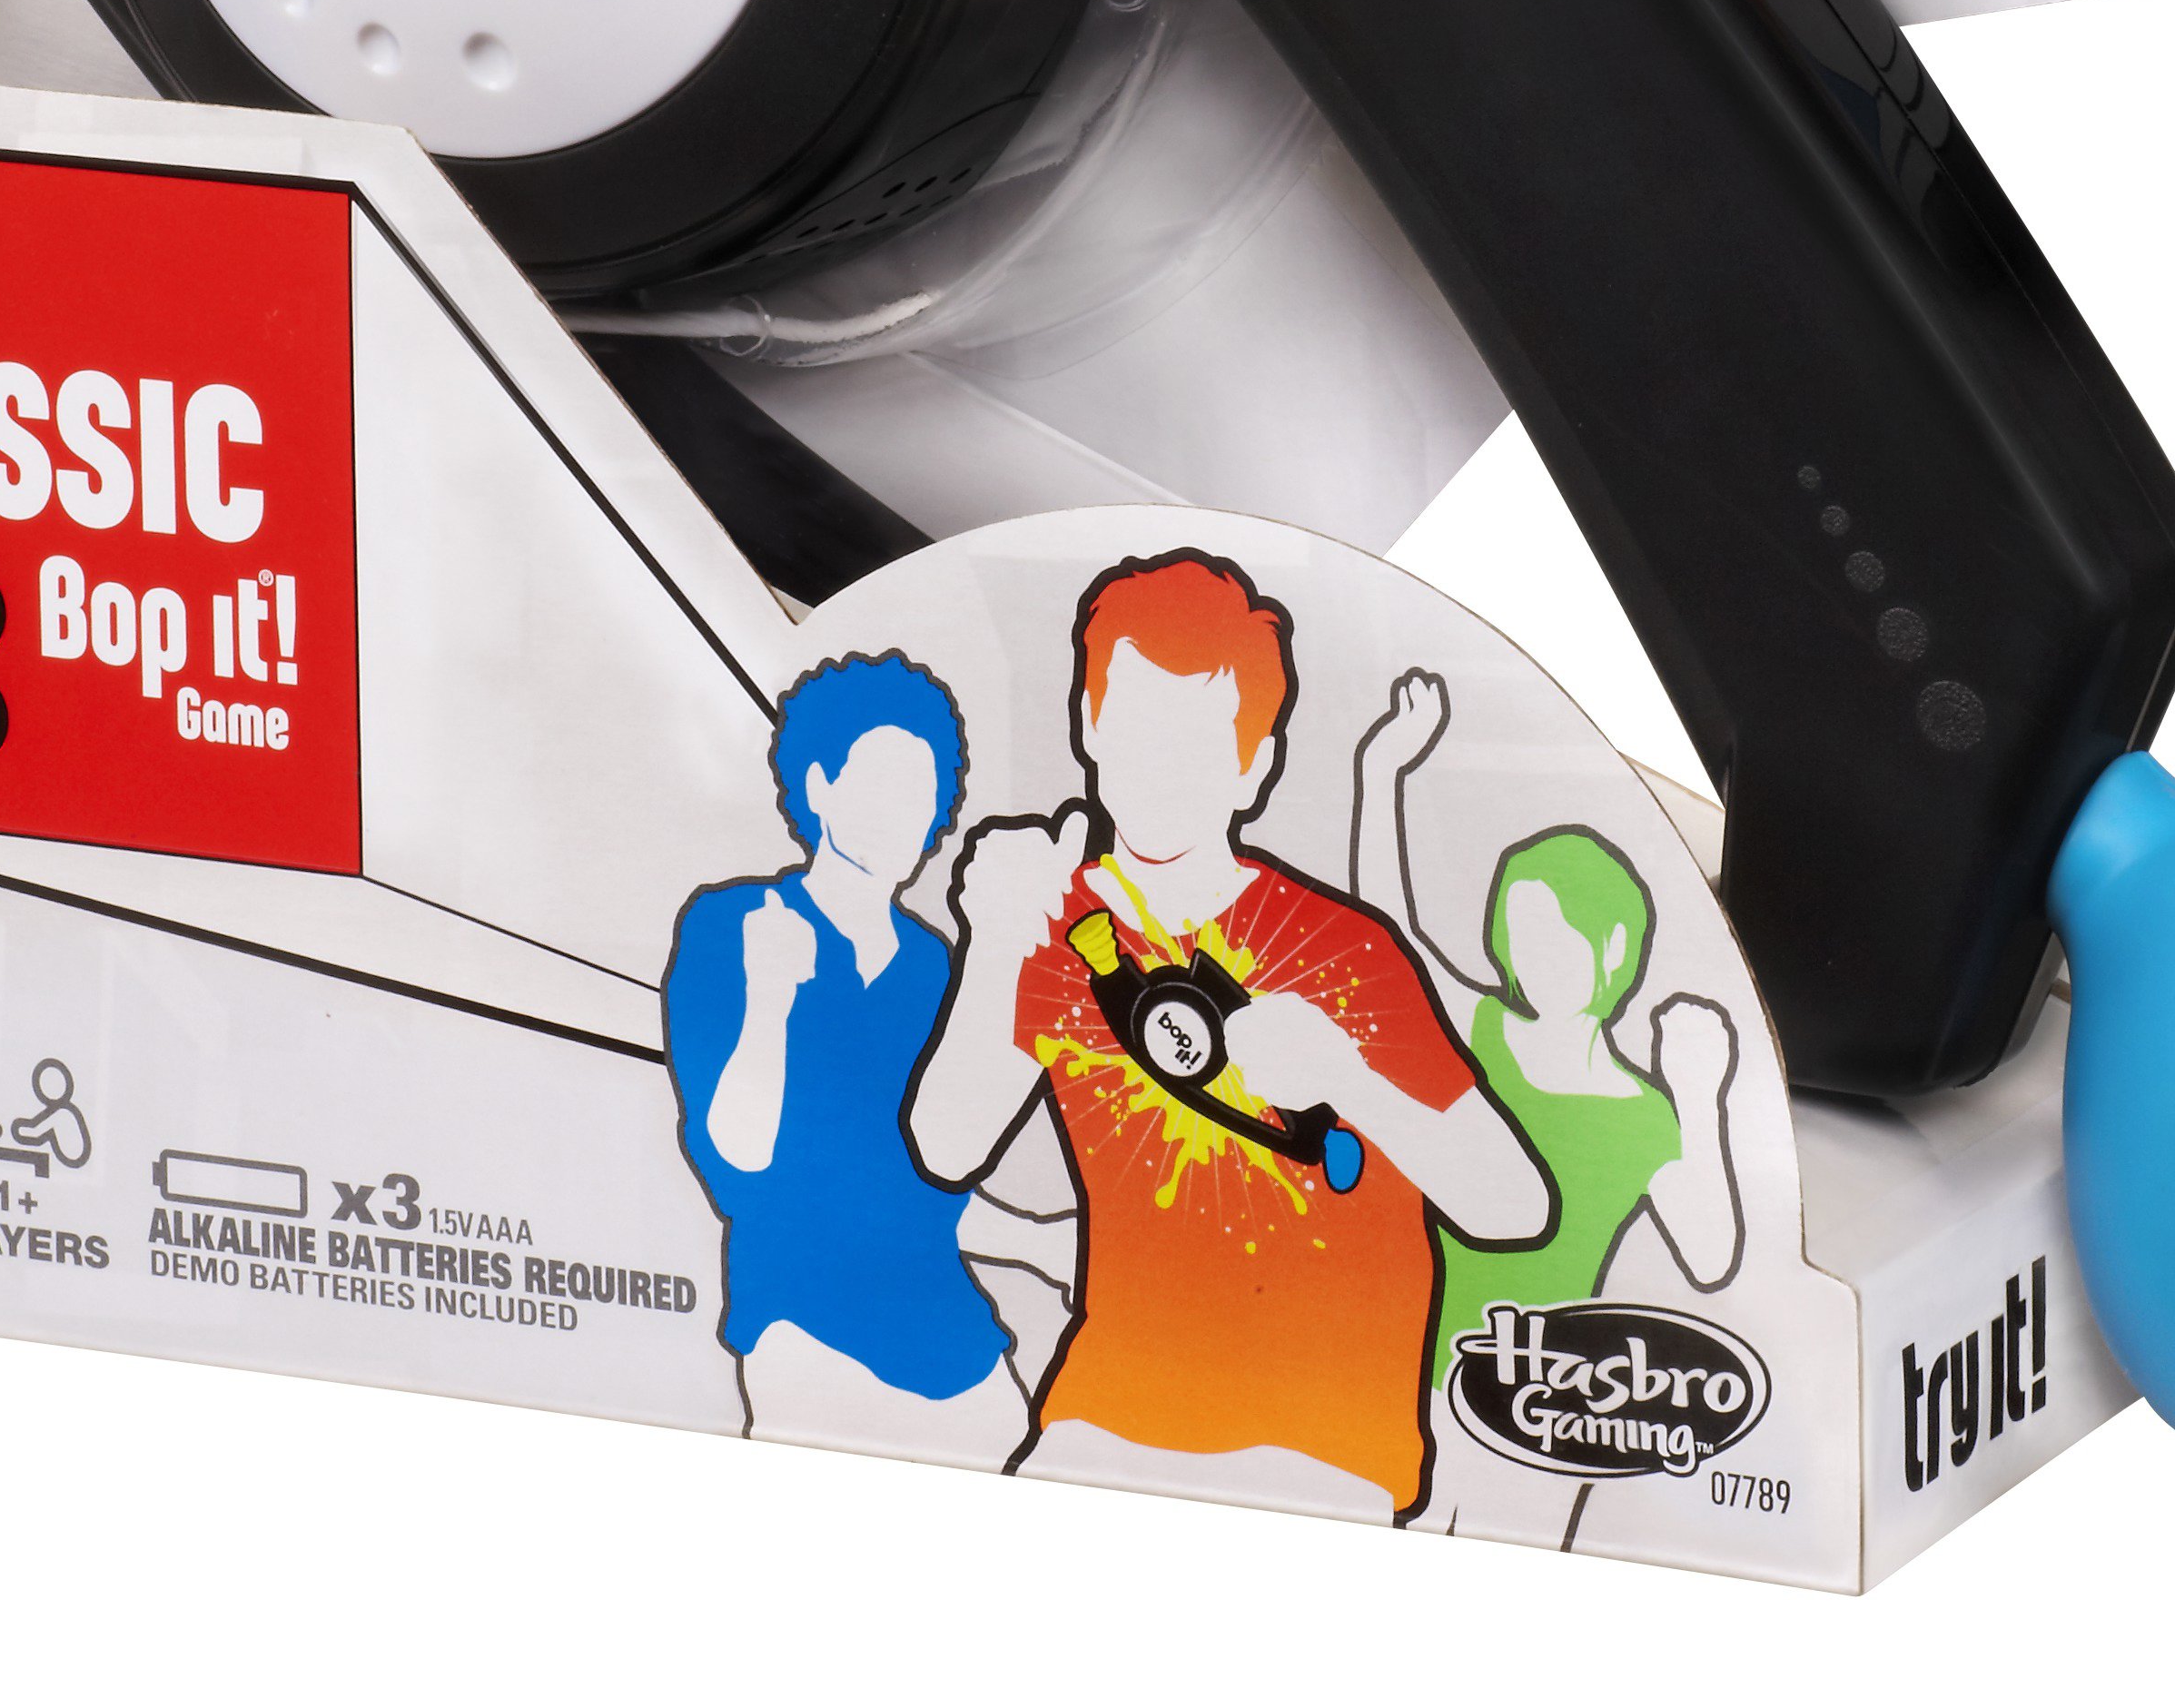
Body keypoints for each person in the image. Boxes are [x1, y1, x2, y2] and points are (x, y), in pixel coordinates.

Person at [910, 552, 1548, 1524]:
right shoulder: (1054, 923)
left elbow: (1511, 1203)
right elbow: (946, 1145)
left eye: (1198, 744)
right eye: (1135, 726)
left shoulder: (1341, 949)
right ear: (1087, 722)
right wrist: (994, 938)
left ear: (1254, 765)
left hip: (1321, 1437)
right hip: (1109, 1407)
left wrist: (1345, 1077)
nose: (1159, 773)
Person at [1349, 667, 1745, 1542]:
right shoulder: (1485, 1029)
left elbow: (1711, 1253)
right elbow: (1391, 940)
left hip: (1542, 1401)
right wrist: (1382, 774)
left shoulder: (1644, 1110)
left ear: (1613, 946)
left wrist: (1700, 1093)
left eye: (1554, 933)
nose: (1531, 955)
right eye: (1518, 931)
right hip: (1415, 1361)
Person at [664, 650, 1046, 1466]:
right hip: (802, 1324)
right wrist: (769, 998)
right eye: (878, 784)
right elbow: (737, 1158)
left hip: (950, 1337)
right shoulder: (734, 924)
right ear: (817, 786)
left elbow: (925, 1188)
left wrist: (1042, 1243)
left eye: (922, 793)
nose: (904, 814)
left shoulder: (932, 966)